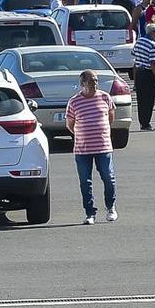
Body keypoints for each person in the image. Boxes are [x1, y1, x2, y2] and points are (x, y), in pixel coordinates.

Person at [65, 69, 118, 224]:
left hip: (103, 147)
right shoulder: (74, 102)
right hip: (83, 149)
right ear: (82, 84)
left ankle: (111, 207)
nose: (94, 83)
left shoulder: (105, 97)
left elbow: (110, 117)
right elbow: (70, 124)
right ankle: (90, 213)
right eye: (90, 81)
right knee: (85, 181)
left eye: (95, 80)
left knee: (108, 178)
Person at [130, 24, 155, 132]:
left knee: (141, 99)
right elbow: (153, 63)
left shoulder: (139, 40)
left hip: (139, 73)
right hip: (148, 74)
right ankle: (146, 123)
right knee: (149, 100)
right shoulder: (153, 45)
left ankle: (142, 122)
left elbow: (133, 54)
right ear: (152, 32)